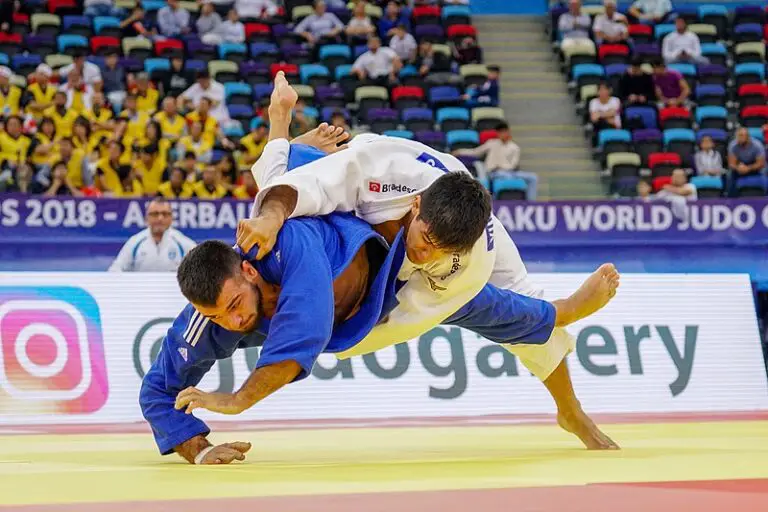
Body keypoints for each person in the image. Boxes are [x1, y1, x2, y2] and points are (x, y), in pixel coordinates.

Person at [238, 73, 619, 451]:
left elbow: (411, 321)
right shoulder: (372, 170)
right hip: (379, 168)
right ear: (416, 207)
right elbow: (303, 190)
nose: (424, 252)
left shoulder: (475, 257)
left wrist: (557, 312)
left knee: (520, 302)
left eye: (439, 250)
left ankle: (571, 411)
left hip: (458, 204)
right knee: (290, 189)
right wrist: (271, 217)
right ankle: (282, 127)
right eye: (425, 239)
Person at [141, 187, 618, 465]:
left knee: (485, 304)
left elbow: (302, 327)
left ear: (247, 269)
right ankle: (560, 333)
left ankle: (561, 318)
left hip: (384, 281)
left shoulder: (287, 244)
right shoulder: (207, 320)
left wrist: (240, 398)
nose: (234, 319)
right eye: (217, 316)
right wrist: (198, 449)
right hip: (354, 329)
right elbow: (156, 392)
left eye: (234, 304)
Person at [455, 122, 539, 201]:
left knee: (533, 177)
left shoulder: (514, 147)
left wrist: (502, 167)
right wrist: (459, 151)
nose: (502, 134)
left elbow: (513, 164)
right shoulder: (491, 143)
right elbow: (475, 152)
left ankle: (531, 203)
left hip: (509, 173)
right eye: (500, 132)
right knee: (502, 175)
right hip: (494, 172)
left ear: (508, 132)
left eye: (504, 132)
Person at [109, 198, 197, 271]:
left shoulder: (183, 243)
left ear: (171, 218)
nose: (160, 218)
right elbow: (115, 269)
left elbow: (201, 269)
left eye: (165, 214)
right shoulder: (135, 242)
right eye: (155, 214)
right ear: (147, 218)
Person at [727, 127, 766, 197]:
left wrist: (748, 168)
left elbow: (761, 163)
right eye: (738, 136)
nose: (739, 138)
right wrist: (738, 168)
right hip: (740, 167)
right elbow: (731, 164)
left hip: (755, 167)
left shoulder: (757, 145)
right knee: (729, 176)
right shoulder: (733, 145)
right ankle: (731, 201)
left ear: (748, 136)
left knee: (765, 176)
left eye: (742, 135)